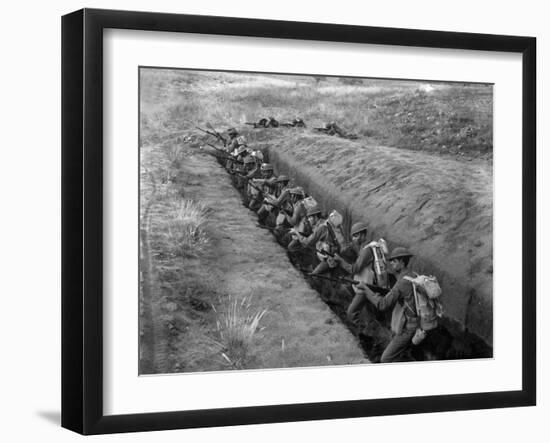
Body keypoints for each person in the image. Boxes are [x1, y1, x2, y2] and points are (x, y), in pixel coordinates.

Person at [355, 247, 419, 363]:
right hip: (413, 323)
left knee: (385, 358)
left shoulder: (402, 283)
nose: (392, 264)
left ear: (402, 262)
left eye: (394, 261)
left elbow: (382, 305)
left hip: (408, 328)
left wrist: (365, 289)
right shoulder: (413, 275)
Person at [293, 208, 344, 275]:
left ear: (315, 217)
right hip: (331, 253)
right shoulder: (324, 223)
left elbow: (307, 243)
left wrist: (296, 233)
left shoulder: (321, 227)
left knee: (313, 275)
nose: (308, 220)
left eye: (310, 217)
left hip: (330, 258)